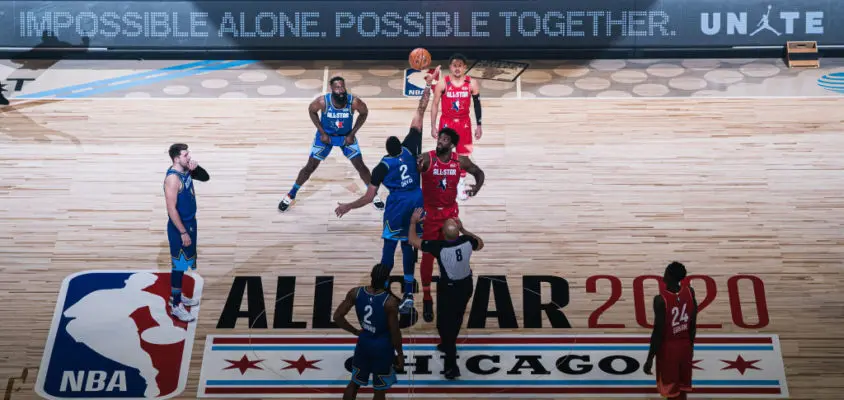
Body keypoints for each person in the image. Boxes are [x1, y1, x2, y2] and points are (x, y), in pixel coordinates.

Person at [335, 67, 439, 314]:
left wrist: (348, 206)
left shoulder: (382, 166)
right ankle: (410, 297)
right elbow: (420, 112)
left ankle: (380, 290)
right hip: (416, 200)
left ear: (385, 148)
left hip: (396, 206)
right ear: (399, 144)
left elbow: (370, 197)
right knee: (409, 249)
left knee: (388, 250)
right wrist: (428, 86)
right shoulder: (410, 147)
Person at [279, 76, 384, 212]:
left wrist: (352, 134)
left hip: (345, 138)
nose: (341, 90)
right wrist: (322, 132)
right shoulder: (323, 102)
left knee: (361, 166)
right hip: (326, 138)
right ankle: (291, 194)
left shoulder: (354, 102)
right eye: (337, 87)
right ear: (332, 89)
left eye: (342, 87)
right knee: (309, 167)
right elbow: (311, 110)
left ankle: (373, 195)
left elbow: (364, 113)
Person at [417, 126, 485, 322]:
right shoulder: (427, 158)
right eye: (440, 138)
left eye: (445, 139)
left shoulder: (460, 161)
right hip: (429, 214)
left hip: (450, 215)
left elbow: (479, 173)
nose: (440, 141)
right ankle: (428, 297)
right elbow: (413, 171)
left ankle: (453, 287)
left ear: (452, 145)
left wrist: (477, 188)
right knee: (428, 257)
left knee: (452, 254)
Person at [408, 208, 483, 380]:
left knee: (443, 324)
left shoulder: (439, 247)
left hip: (448, 289)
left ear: (442, 233)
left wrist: (413, 222)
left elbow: (413, 240)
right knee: (456, 319)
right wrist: (463, 230)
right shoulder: (467, 241)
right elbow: (480, 242)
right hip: (465, 286)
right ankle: (448, 343)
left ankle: (451, 363)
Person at [333, 264, 404, 400]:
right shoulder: (390, 302)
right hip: (383, 348)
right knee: (379, 390)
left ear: (371, 276)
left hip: (364, 344)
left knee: (354, 384)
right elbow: (395, 332)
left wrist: (355, 331)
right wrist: (400, 354)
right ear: (387, 280)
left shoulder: (356, 292)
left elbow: (337, 316)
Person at [163, 143, 209, 322]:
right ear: (176, 159)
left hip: (190, 224)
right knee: (178, 265)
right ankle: (175, 305)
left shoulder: (185, 171)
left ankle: (179, 295)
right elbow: (171, 209)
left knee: (183, 264)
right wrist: (182, 232)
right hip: (179, 228)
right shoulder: (173, 179)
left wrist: (196, 169)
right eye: (185, 155)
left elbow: (206, 178)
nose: (188, 156)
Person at [430, 53, 483, 201]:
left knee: (463, 155)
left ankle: (460, 183)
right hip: (447, 122)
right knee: (443, 154)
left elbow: (477, 105)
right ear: (450, 67)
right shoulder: (443, 83)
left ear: (465, 67)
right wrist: (433, 126)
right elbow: (434, 105)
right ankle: (443, 183)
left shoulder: (471, 83)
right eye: (455, 65)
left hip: (464, 122)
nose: (457, 68)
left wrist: (479, 125)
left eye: (460, 65)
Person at [644, 261, 698, 400]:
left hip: (669, 350)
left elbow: (658, 333)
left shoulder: (660, 300)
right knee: (682, 389)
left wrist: (650, 358)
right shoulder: (690, 292)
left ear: (668, 274)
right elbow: (693, 323)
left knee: (671, 392)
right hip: (685, 347)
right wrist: (691, 347)